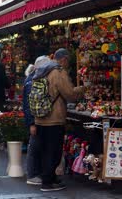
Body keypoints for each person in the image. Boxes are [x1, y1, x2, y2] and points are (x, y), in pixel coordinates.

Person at [33, 48, 84, 192]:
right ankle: (48, 182)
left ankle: (49, 178)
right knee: (53, 150)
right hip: (54, 118)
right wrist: (82, 89)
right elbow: (69, 93)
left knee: (45, 150)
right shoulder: (58, 72)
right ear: (64, 59)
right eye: (68, 61)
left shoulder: (42, 70)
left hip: (41, 118)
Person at [24, 56, 51, 185]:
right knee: (34, 147)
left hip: (36, 120)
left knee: (37, 146)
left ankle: (35, 173)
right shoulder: (33, 82)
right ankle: (32, 174)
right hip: (35, 120)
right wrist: (32, 123)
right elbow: (29, 105)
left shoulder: (32, 80)